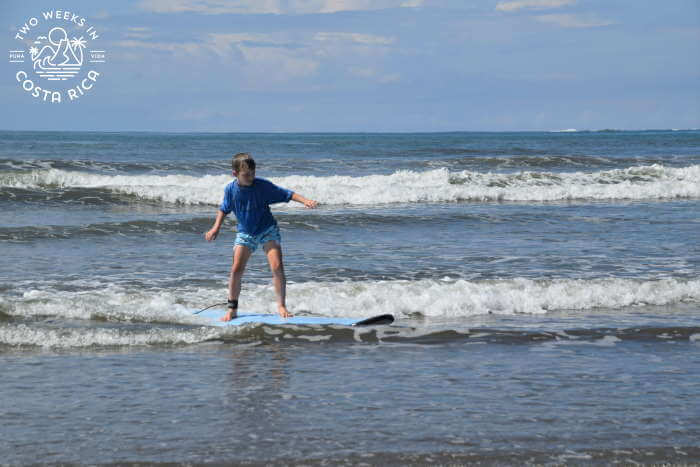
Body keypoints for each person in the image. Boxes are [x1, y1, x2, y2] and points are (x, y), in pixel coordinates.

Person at [205, 153, 318, 321]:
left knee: (277, 266)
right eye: (246, 174)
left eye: (253, 172)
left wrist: (305, 200)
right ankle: (232, 310)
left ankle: (281, 306)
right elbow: (224, 209)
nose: (251, 177)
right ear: (235, 174)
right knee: (236, 269)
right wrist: (215, 228)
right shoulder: (230, 189)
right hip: (245, 233)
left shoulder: (263, 186)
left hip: (267, 230)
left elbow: (288, 194)